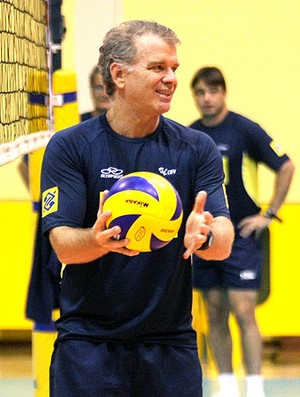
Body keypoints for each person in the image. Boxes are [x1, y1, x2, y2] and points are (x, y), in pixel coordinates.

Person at [41, 21, 234, 397]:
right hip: (88, 344)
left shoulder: (196, 148)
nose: (171, 79)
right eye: (157, 67)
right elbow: (64, 245)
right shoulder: (70, 146)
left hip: (169, 344)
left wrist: (205, 234)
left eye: (173, 68)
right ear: (119, 74)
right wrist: (97, 240)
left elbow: (223, 239)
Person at [190, 66, 295, 397]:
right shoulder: (192, 134)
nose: (207, 98)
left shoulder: (244, 129)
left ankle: (255, 387)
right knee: (215, 310)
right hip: (207, 235)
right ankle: (226, 386)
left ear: (224, 93)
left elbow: (286, 165)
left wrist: (269, 214)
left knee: (243, 310)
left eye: (213, 91)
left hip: (242, 235)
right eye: (200, 92)